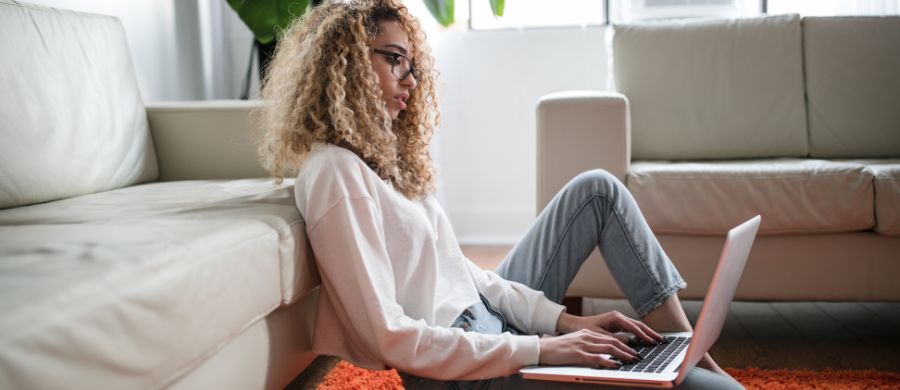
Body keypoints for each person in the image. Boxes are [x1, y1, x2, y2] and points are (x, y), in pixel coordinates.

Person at [254, 1, 743, 389]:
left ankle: (685, 349)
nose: (411, 78)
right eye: (395, 59)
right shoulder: (335, 173)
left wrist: (561, 322)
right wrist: (540, 349)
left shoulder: (382, 164)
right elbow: (388, 336)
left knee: (597, 190)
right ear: (348, 65)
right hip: (460, 374)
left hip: (490, 328)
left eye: (413, 64)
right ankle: (688, 367)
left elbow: (466, 276)